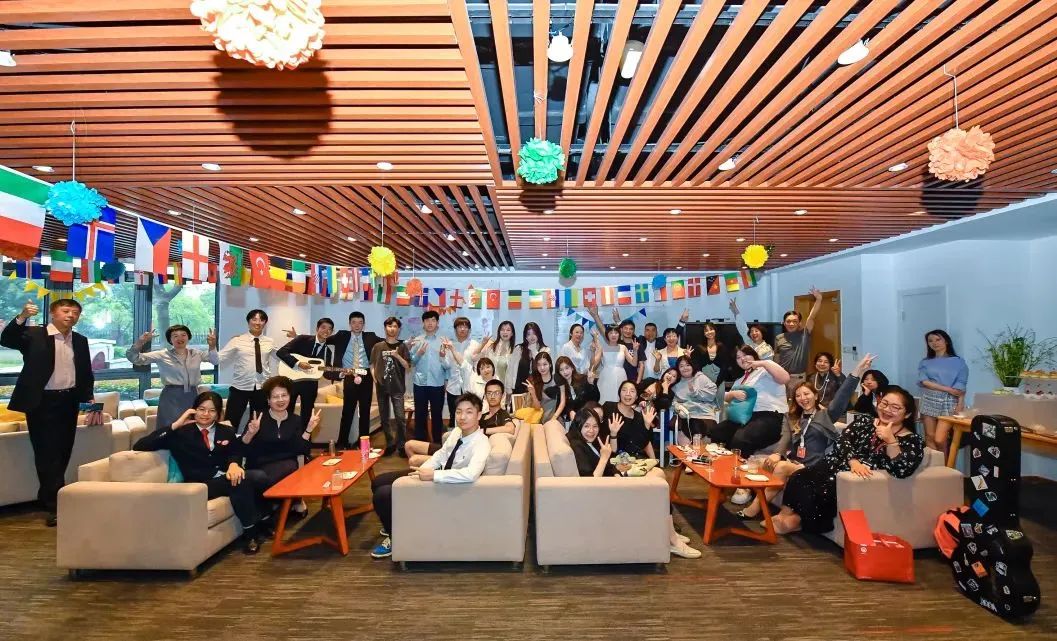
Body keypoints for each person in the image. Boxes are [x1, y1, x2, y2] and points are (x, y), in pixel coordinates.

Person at [737, 354, 872, 521]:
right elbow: (785, 438)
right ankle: (749, 495)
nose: (803, 398)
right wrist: (777, 454)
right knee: (760, 461)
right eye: (798, 396)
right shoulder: (792, 418)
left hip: (814, 467)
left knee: (781, 467)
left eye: (806, 394)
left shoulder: (826, 415)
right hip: (795, 462)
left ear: (815, 396)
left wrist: (857, 371)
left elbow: (842, 396)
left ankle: (753, 510)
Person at [774, 385, 925, 535]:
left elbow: (902, 470)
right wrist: (853, 461)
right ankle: (783, 516)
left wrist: (891, 441)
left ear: (907, 414)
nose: (887, 410)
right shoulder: (865, 421)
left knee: (824, 487)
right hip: (835, 463)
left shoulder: (912, 440)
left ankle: (798, 523)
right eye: (884, 404)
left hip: (854, 478)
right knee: (799, 476)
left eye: (895, 407)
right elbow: (842, 441)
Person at [1, 299, 99, 526]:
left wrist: (90, 401)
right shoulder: (34, 334)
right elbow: (6, 339)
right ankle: (54, 504)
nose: (71, 315)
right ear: (53, 313)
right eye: (65, 311)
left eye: (75, 312)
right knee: (46, 452)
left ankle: (51, 497)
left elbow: (85, 373)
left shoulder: (80, 340)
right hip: (41, 402)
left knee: (64, 450)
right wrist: (22, 316)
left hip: (69, 401)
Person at [562, 406, 700, 558]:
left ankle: (668, 531)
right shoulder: (578, 446)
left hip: (611, 484)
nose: (591, 431)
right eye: (586, 426)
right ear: (578, 425)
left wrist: (617, 474)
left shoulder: (589, 441)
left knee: (658, 475)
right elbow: (590, 483)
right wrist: (605, 458)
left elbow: (609, 464)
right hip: (604, 494)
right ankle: (673, 541)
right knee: (657, 489)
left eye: (595, 426)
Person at [134, 391, 263, 553]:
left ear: (218, 414)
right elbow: (140, 445)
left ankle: (256, 528)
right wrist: (176, 424)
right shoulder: (180, 433)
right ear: (193, 410)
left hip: (224, 479)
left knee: (246, 479)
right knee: (250, 479)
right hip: (198, 485)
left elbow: (235, 451)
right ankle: (255, 531)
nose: (206, 414)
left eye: (212, 410)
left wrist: (234, 465)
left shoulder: (226, 431)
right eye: (201, 409)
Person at [369, 392, 492, 559]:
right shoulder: (457, 431)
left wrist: (434, 476)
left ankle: (395, 538)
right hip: (435, 475)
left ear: (478, 415)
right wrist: (422, 471)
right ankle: (393, 521)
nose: (462, 417)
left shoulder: (481, 443)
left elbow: (470, 474)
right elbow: (441, 455)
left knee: (382, 495)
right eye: (459, 412)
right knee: (378, 481)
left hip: (448, 488)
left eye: (469, 412)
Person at [241, 376, 320, 520]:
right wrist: (250, 433)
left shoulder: (295, 420)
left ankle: (277, 504)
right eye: (275, 397)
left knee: (290, 466)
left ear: (290, 397)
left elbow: (301, 449)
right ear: (268, 400)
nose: (280, 400)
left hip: (286, 465)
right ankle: (290, 501)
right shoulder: (258, 418)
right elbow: (242, 448)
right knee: (274, 473)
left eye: (284, 395)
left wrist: (308, 429)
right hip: (260, 465)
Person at [126, 324, 219, 435]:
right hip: (171, 397)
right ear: (170, 340)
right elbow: (134, 358)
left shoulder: (196, 353)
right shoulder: (162, 355)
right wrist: (140, 342)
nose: (180, 338)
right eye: (175, 336)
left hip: (192, 395)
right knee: (170, 428)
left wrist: (212, 346)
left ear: (188, 337)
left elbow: (215, 361)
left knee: (192, 428)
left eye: (183, 335)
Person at [712, 345, 790, 455]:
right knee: (717, 432)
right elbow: (725, 398)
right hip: (747, 417)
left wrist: (763, 363)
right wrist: (732, 394)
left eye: (745, 355)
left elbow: (785, 378)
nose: (743, 359)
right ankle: (725, 461)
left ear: (754, 355)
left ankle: (738, 463)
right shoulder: (741, 379)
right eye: (738, 357)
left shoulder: (766, 370)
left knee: (740, 440)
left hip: (769, 416)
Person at [328, 311, 382, 450]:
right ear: (349, 324)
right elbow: (323, 338)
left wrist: (406, 343)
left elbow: (388, 342)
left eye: (360, 323)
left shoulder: (371, 336)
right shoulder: (342, 335)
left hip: (366, 376)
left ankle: (363, 443)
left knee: (365, 411)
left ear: (364, 325)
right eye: (354, 322)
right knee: (347, 411)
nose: (357, 325)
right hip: (349, 375)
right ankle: (342, 443)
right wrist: (298, 336)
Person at [217, 309, 276, 432]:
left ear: (265, 323)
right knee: (230, 422)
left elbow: (283, 356)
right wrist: (212, 346)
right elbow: (217, 359)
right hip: (240, 387)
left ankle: (251, 443)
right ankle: (227, 443)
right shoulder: (237, 340)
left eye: (261, 320)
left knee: (260, 421)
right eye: (254, 319)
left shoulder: (269, 341)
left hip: (262, 387)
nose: (258, 322)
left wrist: (296, 340)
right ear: (248, 322)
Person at [276, 317, 335, 430]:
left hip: (310, 386)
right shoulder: (302, 339)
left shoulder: (328, 351)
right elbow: (281, 352)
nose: (326, 331)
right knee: (286, 412)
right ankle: (284, 437)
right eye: (323, 327)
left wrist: (341, 374)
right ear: (317, 328)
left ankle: (305, 439)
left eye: (329, 329)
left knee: (308, 417)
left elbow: (326, 373)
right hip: (292, 381)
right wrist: (298, 363)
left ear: (332, 332)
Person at [918, 329, 969, 451]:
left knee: (940, 439)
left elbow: (961, 385)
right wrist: (947, 389)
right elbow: (924, 382)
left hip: (949, 401)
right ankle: (934, 462)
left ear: (946, 341)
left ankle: (945, 463)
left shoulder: (959, 362)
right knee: (929, 436)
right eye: (930, 341)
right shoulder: (925, 362)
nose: (934, 343)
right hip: (928, 399)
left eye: (938, 339)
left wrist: (960, 403)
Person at [370, 316, 411, 456]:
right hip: (382, 387)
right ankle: (390, 443)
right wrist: (375, 378)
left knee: (400, 418)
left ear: (398, 329)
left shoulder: (402, 346)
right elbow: (372, 364)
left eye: (395, 326)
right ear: (385, 328)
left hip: (397, 387)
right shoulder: (378, 346)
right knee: (384, 418)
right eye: (389, 326)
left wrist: (397, 355)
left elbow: (407, 366)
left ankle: (401, 445)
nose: (392, 329)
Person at [409, 310, 450, 444]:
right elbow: (411, 362)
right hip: (420, 384)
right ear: (423, 323)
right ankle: (420, 443)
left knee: (437, 415)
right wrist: (419, 354)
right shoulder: (417, 340)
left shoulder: (443, 341)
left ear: (437, 323)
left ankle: (437, 443)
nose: (430, 323)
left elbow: (447, 365)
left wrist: (446, 380)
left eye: (433, 320)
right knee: (420, 414)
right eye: (427, 320)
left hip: (437, 383)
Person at [774, 287, 823, 396]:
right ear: (784, 323)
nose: (791, 324)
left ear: (799, 323)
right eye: (788, 321)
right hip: (781, 377)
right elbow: (776, 357)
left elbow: (811, 317)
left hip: (798, 379)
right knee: (781, 404)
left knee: (796, 404)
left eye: (794, 321)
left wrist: (819, 299)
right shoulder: (779, 337)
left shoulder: (804, 334)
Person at [601, 380, 656, 459]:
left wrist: (647, 424)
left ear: (636, 397)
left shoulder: (638, 417)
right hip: (609, 458)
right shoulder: (608, 407)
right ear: (619, 393)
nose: (628, 393)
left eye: (632, 391)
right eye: (624, 390)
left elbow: (641, 444)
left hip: (633, 460)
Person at [671, 355, 719, 445]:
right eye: (681, 366)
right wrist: (677, 406)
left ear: (692, 366)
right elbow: (673, 401)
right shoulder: (676, 383)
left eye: (688, 365)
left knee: (704, 431)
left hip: (704, 414)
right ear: (678, 369)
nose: (685, 368)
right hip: (686, 415)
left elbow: (712, 394)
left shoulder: (701, 377)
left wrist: (696, 392)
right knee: (685, 432)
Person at [444, 316, 479, 428]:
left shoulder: (474, 344)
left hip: (469, 387)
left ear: (469, 329)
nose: (463, 329)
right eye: (460, 326)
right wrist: (441, 356)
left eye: (465, 327)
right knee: (453, 415)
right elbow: (446, 365)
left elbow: (478, 366)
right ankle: (452, 437)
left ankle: (468, 437)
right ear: (455, 329)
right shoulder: (449, 345)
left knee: (469, 416)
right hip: (453, 386)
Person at [596, 325, 637, 403]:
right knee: (604, 398)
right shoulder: (602, 347)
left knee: (619, 398)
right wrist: (593, 350)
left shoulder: (623, 347)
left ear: (619, 334)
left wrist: (635, 351)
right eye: (611, 333)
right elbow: (594, 363)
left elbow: (634, 363)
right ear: (607, 335)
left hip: (620, 376)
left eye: (616, 333)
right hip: (606, 377)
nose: (613, 335)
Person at [507, 321, 549, 395]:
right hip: (519, 389)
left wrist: (533, 349)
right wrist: (508, 388)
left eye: (534, 333)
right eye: (529, 334)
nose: (532, 336)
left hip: (538, 389)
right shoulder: (519, 348)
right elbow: (511, 369)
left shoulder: (545, 350)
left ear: (538, 334)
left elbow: (541, 364)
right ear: (525, 337)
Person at [555, 355, 600, 422]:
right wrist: (570, 411)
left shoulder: (584, 379)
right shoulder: (561, 387)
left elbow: (596, 399)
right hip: (571, 422)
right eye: (561, 370)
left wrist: (591, 383)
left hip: (588, 418)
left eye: (567, 368)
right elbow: (560, 408)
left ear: (572, 368)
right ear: (559, 373)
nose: (565, 372)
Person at [688, 321, 733, 385]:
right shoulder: (699, 348)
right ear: (704, 333)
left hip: (719, 382)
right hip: (703, 382)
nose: (709, 332)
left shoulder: (721, 346)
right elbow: (697, 366)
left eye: (711, 329)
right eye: (706, 330)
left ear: (715, 330)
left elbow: (725, 366)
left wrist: (717, 384)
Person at [526, 351, 565, 423]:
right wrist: (533, 394)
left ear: (550, 364)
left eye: (545, 364)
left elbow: (563, 402)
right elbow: (537, 408)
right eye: (539, 365)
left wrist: (554, 418)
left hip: (555, 419)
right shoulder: (534, 382)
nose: (542, 368)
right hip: (539, 421)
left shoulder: (557, 378)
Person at [473, 320, 515, 388]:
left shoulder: (514, 351)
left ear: (512, 333)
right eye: (502, 330)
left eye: (508, 330)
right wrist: (483, 343)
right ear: (499, 332)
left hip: (503, 389)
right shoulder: (492, 347)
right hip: (487, 386)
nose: (505, 332)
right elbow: (474, 358)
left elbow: (513, 375)